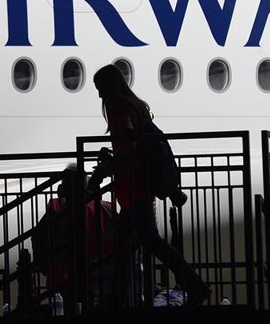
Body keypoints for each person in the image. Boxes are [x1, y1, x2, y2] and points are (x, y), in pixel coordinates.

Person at [87, 64, 209, 306]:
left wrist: (110, 165)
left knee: (151, 242)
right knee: (125, 246)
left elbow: (130, 144)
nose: (100, 95)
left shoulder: (118, 107)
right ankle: (119, 297)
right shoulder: (135, 106)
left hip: (135, 189)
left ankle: (195, 284)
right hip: (134, 188)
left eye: (100, 88)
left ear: (109, 87)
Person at [31, 166, 117, 309]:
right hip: (96, 275)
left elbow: (39, 238)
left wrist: (44, 266)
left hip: (63, 274)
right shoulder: (105, 208)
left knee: (66, 309)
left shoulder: (57, 209)